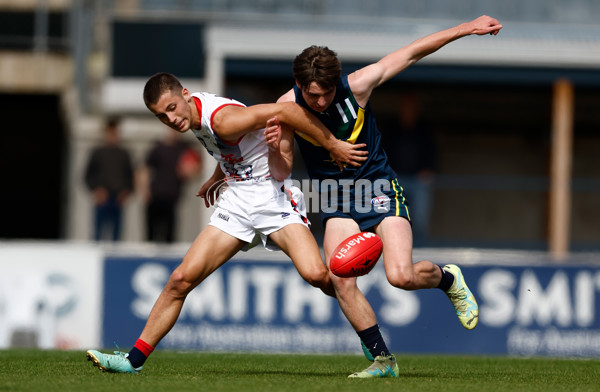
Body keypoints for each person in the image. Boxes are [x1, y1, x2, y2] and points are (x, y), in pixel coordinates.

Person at [85, 72, 365, 374]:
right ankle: (132, 362)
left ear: (186, 95)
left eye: (171, 108)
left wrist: (333, 144)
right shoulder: (194, 118)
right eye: (161, 116)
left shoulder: (223, 120)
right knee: (180, 280)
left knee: (316, 275)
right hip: (238, 201)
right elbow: (231, 147)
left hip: (272, 196)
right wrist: (215, 178)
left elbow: (288, 111)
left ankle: (372, 339)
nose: (170, 119)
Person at [270, 15, 502, 378]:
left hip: (378, 187)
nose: (318, 101)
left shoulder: (358, 86)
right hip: (334, 197)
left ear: (336, 83)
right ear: (299, 84)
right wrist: (274, 149)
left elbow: (411, 53)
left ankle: (448, 279)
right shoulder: (286, 107)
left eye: (326, 93)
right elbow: (281, 171)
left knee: (401, 276)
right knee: (339, 279)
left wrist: (465, 28)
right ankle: (383, 359)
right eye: (311, 94)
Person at [379, 92, 436, 246]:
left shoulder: (424, 127)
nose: (409, 109)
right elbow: (382, 151)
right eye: (406, 106)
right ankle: (393, 244)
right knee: (392, 215)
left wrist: (428, 170)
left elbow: (432, 153)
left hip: (418, 180)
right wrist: (389, 171)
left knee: (420, 216)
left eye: (412, 106)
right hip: (396, 178)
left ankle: (419, 245)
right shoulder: (392, 127)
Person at [140, 129, 203, 243]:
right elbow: (145, 169)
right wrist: (145, 190)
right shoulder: (158, 147)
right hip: (155, 195)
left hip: (172, 197)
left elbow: (198, 165)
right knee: (151, 233)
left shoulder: (184, 147)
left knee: (170, 234)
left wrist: (189, 172)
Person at [84, 118, 134, 241]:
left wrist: (125, 192)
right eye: (110, 132)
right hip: (102, 198)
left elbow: (130, 176)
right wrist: (96, 190)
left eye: (115, 132)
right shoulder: (98, 152)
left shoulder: (124, 153)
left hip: (117, 199)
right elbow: (87, 175)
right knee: (98, 232)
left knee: (117, 234)